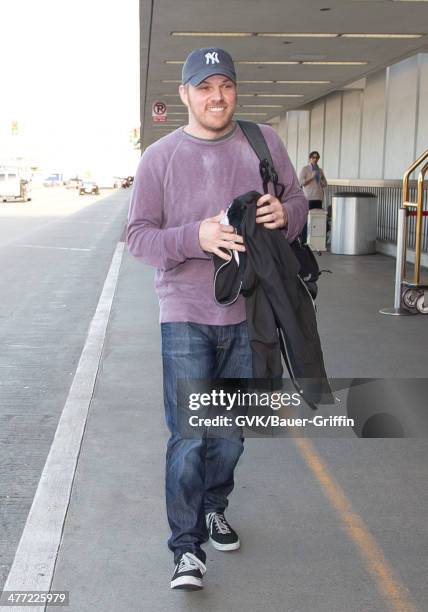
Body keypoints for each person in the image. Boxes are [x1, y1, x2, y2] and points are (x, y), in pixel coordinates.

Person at [127, 47, 308, 591]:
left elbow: (296, 202)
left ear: (235, 91)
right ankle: (186, 549)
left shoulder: (263, 143)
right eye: (204, 87)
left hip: (251, 313)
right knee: (188, 435)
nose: (216, 96)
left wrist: (287, 215)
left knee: (229, 435)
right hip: (184, 313)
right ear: (185, 94)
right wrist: (196, 238)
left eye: (225, 85)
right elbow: (138, 237)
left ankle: (214, 504)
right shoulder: (159, 159)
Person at [299, 151, 328, 244]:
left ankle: (315, 241)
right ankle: (303, 240)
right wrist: (312, 177)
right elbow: (301, 183)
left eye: (317, 158)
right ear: (310, 158)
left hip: (318, 197)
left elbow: (325, 184)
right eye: (313, 157)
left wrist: (322, 179)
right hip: (309, 198)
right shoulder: (305, 169)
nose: (315, 159)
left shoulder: (320, 170)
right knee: (306, 220)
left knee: (317, 220)